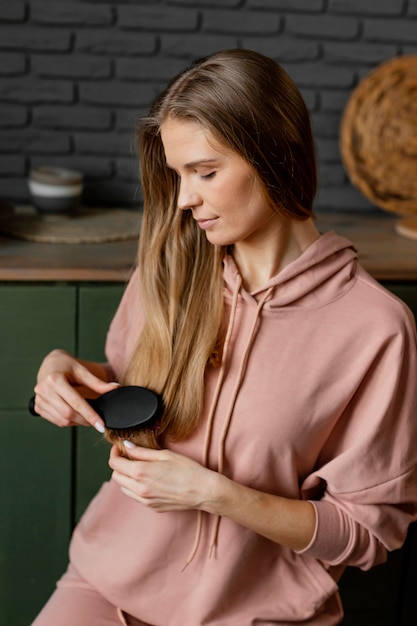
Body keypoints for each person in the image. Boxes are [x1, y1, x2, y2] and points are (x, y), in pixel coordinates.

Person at [31, 49, 417, 626]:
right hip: (106, 582)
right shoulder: (168, 272)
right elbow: (136, 393)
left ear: (275, 155)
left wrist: (216, 493)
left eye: (205, 172)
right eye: (177, 175)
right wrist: (65, 373)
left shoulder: (373, 329)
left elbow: (367, 534)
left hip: (257, 611)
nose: (185, 199)